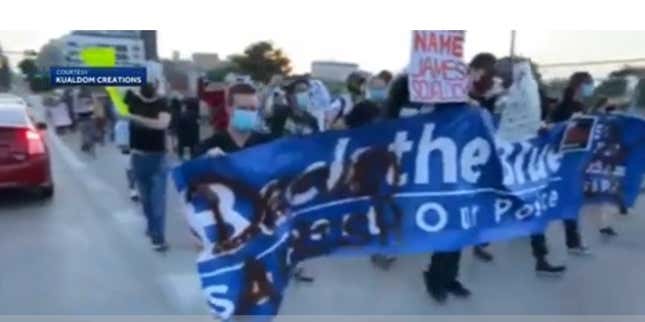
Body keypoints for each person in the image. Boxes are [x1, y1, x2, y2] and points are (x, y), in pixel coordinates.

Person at [386, 74, 470, 303]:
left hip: (448, 169)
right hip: (415, 175)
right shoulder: (403, 98)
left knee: (455, 223)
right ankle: (433, 274)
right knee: (430, 223)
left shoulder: (451, 98)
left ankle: (446, 277)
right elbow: (390, 133)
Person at [124, 82, 171, 252]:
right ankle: (152, 227)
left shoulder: (162, 103)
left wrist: (135, 118)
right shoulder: (131, 99)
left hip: (158, 158)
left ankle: (158, 238)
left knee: (157, 201)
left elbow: (162, 124)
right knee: (146, 201)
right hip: (138, 157)